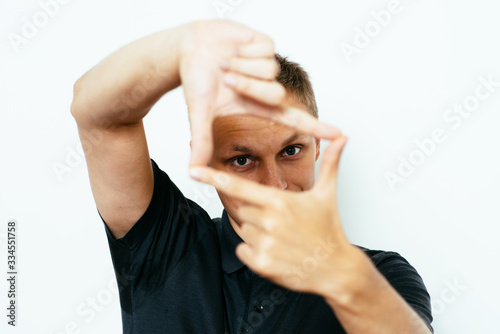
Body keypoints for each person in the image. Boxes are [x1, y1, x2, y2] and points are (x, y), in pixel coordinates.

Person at [71, 20, 433, 333]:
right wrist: (183, 45)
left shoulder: (380, 277)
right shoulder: (166, 243)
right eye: (243, 159)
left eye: (291, 151)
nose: (276, 185)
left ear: (317, 146)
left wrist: (345, 276)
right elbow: (96, 115)